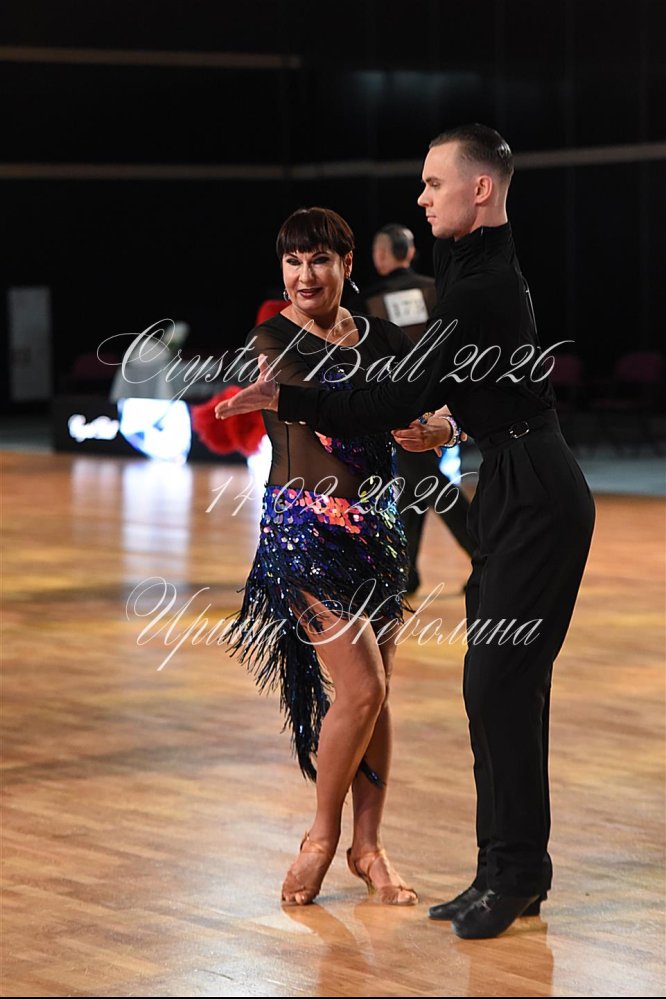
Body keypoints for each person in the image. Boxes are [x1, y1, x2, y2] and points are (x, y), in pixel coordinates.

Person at [216, 125, 596, 939]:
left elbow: (399, 398)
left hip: (522, 488)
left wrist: (310, 402)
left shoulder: (476, 284)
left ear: (480, 189)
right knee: (485, 687)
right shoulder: (468, 268)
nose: (420, 198)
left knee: (496, 685)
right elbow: (470, 384)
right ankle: (503, 868)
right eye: (293, 261)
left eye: (433, 183)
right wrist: (450, 420)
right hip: (465, 487)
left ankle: (508, 870)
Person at [223, 206, 440, 909]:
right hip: (305, 534)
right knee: (363, 687)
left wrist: (437, 424)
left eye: (319, 259)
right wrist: (400, 409)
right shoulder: (272, 340)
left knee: (377, 695)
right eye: (292, 262)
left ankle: (368, 847)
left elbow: (429, 401)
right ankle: (321, 837)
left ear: (348, 264)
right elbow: (331, 408)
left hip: (377, 532)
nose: (304, 275)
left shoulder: (382, 335)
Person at [361, 223, 475, 593]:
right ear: (410, 253)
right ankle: (406, 572)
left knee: (424, 481)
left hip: (393, 401)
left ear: (380, 256)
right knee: (416, 484)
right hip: (435, 396)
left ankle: (485, 554)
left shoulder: (369, 300)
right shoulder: (434, 290)